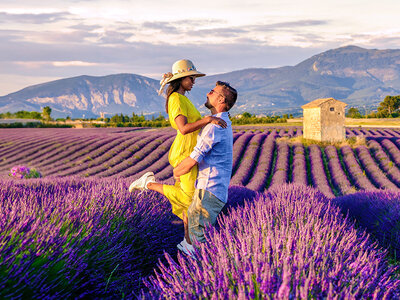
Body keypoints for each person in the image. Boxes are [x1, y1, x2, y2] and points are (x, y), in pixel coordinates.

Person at [128, 59, 227, 247]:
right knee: (189, 198)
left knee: (186, 204)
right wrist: (207, 120)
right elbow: (183, 128)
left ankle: (188, 243)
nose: (193, 81)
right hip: (184, 151)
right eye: (191, 77)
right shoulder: (176, 99)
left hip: (189, 149)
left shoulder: (183, 98)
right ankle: (148, 183)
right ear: (181, 79)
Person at [172, 81, 237, 255]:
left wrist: (176, 171)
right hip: (215, 191)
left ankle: (199, 276)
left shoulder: (214, 127)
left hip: (208, 191)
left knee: (197, 245)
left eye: (212, 92)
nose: (208, 94)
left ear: (221, 99)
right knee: (197, 240)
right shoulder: (225, 122)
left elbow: (194, 158)